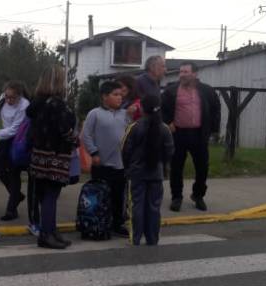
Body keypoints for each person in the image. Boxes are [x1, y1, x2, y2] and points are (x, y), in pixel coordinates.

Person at [27, 66, 77, 250]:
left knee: (44, 195)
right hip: (56, 154)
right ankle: (47, 234)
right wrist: (76, 140)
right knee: (51, 195)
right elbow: (65, 129)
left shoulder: (37, 103)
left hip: (39, 154)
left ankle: (50, 230)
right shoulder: (57, 104)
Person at [161, 62, 221, 212]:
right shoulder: (171, 90)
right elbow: (162, 109)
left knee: (202, 167)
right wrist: (168, 122)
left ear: (195, 74)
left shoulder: (206, 90)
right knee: (176, 167)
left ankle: (198, 195)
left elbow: (215, 109)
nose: (182, 75)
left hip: (199, 134)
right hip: (178, 134)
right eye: (181, 72)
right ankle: (176, 197)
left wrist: (213, 130)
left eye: (186, 72)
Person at [122, 94, 174, 245]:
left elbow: (125, 150)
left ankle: (135, 238)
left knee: (136, 206)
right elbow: (169, 151)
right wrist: (163, 166)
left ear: (142, 108)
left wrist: (128, 168)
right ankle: (152, 238)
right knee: (153, 207)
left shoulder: (134, 127)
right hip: (156, 174)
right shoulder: (164, 129)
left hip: (137, 174)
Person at [81, 80, 130, 237]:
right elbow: (86, 135)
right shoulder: (94, 114)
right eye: (115, 95)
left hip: (120, 163)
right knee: (102, 195)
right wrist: (93, 153)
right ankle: (100, 222)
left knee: (118, 195)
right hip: (101, 163)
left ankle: (117, 223)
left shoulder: (125, 114)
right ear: (104, 97)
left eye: (121, 95)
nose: (119, 98)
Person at [0, 81, 30, 221]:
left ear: (19, 96)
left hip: (18, 140)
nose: (8, 100)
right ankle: (16, 194)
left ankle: (11, 209)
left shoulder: (24, 106)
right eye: (7, 96)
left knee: (14, 172)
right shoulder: (3, 98)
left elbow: (15, 129)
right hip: (5, 138)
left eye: (12, 98)